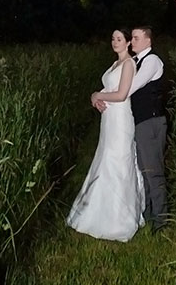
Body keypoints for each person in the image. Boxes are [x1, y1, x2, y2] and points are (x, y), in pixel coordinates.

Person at [66, 30, 146, 241]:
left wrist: (98, 94)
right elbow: (109, 87)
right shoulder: (115, 64)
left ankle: (120, 219)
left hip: (120, 120)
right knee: (104, 158)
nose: (114, 42)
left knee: (117, 160)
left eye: (119, 39)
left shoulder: (129, 64)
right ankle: (97, 210)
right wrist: (95, 98)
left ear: (128, 42)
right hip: (108, 119)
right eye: (112, 38)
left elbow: (121, 94)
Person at [127, 25, 169, 229]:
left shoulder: (151, 60)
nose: (131, 41)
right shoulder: (136, 61)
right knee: (145, 170)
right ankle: (150, 213)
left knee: (153, 171)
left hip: (151, 121)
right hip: (141, 121)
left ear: (147, 41)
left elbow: (132, 86)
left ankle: (161, 219)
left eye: (135, 38)